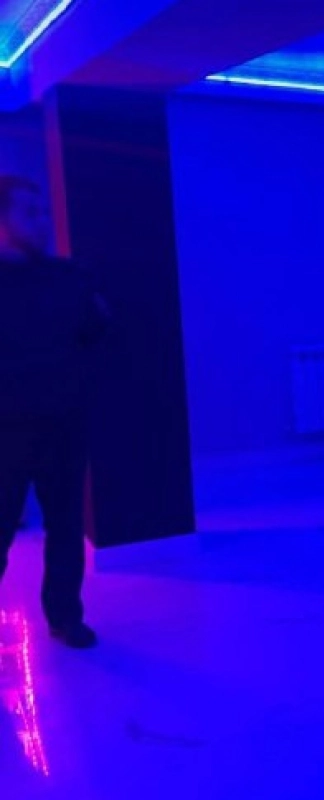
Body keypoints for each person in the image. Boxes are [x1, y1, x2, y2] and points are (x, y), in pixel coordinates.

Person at [0, 176, 107, 649]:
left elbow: (96, 331)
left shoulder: (70, 277)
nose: (42, 221)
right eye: (29, 212)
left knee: (65, 528)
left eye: (42, 211)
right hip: (5, 431)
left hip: (63, 425)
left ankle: (65, 616)